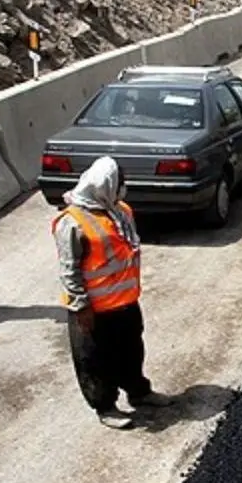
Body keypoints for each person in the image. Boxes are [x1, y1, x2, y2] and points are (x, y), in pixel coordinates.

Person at [51, 156, 174, 429]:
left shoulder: (121, 211)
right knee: (94, 360)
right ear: (105, 186)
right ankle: (105, 406)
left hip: (126, 302)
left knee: (131, 350)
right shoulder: (71, 222)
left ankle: (139, 392)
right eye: (121, 184)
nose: (124, 189)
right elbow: (69, 271)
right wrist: (81, 307)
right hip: (93, 309)